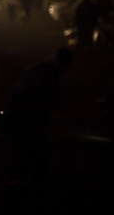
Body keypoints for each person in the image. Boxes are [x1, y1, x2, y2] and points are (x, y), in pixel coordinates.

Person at [5, 47, 73, 187]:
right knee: (28, 153)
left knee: (27, 153)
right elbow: (39, 97)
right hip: (24, 118)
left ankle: (21, 185)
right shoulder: (42, 74)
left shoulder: (45, 72)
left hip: (25, 118)